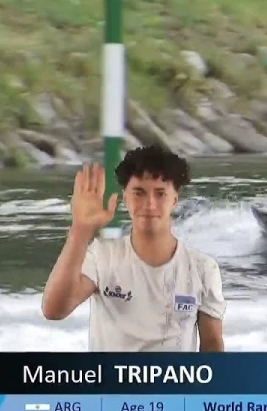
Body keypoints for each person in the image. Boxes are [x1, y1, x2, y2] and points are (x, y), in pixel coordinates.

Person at [41, 146, 226, 352]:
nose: (149, 204)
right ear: (125, 197)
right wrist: (80, 230)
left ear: (175, 200)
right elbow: (54, 310)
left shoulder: (203, 268)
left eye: (160, 193)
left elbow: (212, 344)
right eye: (139, 193)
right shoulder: (102, 255)